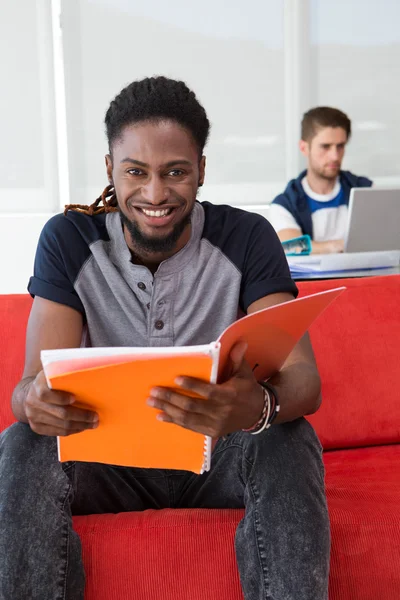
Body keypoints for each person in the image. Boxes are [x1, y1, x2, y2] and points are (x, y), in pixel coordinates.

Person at [0, 76, 329, 600]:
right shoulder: (68, 240)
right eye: (136, 172)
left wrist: (257, 408)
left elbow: (304, 382)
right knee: (22, 443)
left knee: (288, 436)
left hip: (215, 456)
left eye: (176, 172)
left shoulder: (247, 237)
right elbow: (26, 393)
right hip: (108, 462)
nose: (155, 194)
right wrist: (32, 402)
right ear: (111, 168)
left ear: (201, 169)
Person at [270, 106, 372, 254]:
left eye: (340, 146)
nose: (335, 156)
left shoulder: (366, 190)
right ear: (304, 148)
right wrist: (336, 246)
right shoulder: (284, 205)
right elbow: (291, 247)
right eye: (325, 146)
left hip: (366, 277)